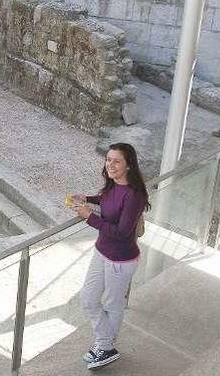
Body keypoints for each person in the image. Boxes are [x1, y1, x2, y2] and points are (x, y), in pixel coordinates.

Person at [70, 142, 149, 369]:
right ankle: (106, 344)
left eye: (117, 161)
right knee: (88, 300)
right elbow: (106, 199)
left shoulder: (134, 195)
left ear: (128, 165)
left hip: (121, 261)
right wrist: (86, 198)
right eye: (108, 160)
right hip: (101, 252)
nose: (110, 165)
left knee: (114, 304)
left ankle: (104, 346)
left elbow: (122, 233)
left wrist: (89, 217)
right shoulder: (113, 185)